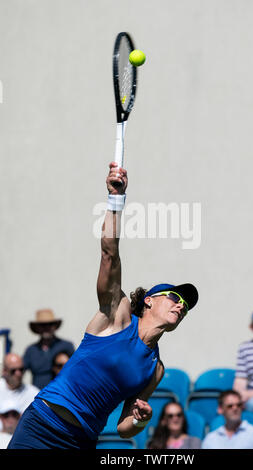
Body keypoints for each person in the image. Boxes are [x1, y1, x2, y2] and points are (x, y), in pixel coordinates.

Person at [8, 162, 199, 449]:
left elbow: (123, 428)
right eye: (175, 297)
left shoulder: (155, 369)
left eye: (185, 305)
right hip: (43, 426)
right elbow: (109, 253)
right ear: (148, 301)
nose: (181, 306)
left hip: (81, 442)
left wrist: (140, 420)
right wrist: (115, 199)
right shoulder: (117, 316)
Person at [23, 309, 75, 389]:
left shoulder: (66, 346)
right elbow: (19, 371)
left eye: (50, 324)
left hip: (62, 393)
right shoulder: (31, 350)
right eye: (43, 325)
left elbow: (76, 370)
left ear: (54, 326)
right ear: (37, 327)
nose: (46, 328)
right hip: (39, 395)